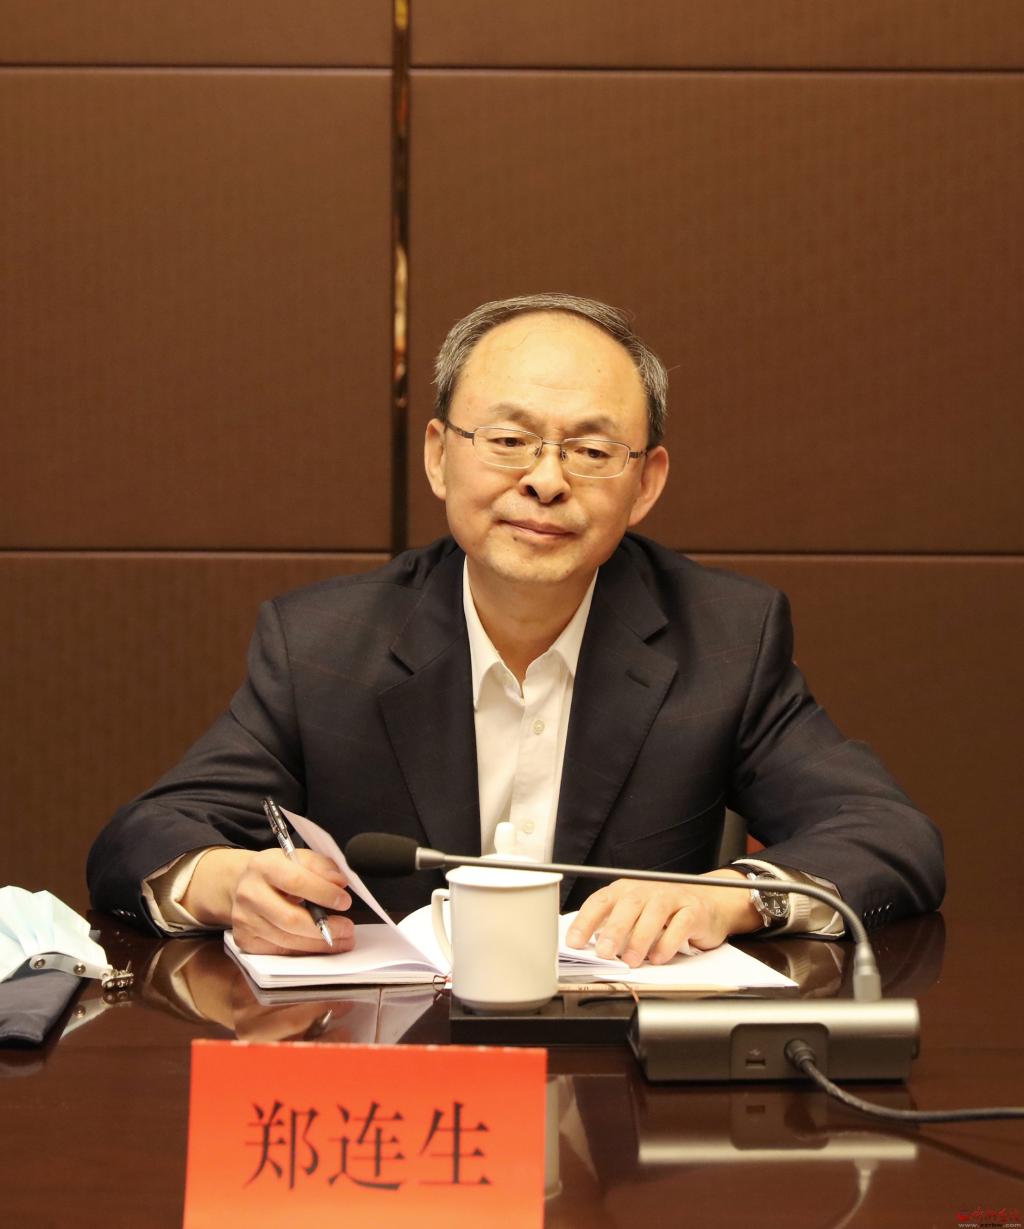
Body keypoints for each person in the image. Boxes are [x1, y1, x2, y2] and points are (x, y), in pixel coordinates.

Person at [87, 293, 944, 963]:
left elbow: (891, 836)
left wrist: (729, 896)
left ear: (646, 484)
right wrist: (227, 879)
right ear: (438, 454)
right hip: (402, 1072)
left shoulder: (723, 639)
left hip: (624, 1081)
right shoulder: (321, 646)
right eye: (508, 439)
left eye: (591, 451)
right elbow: (145, 836)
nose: (545, 480)